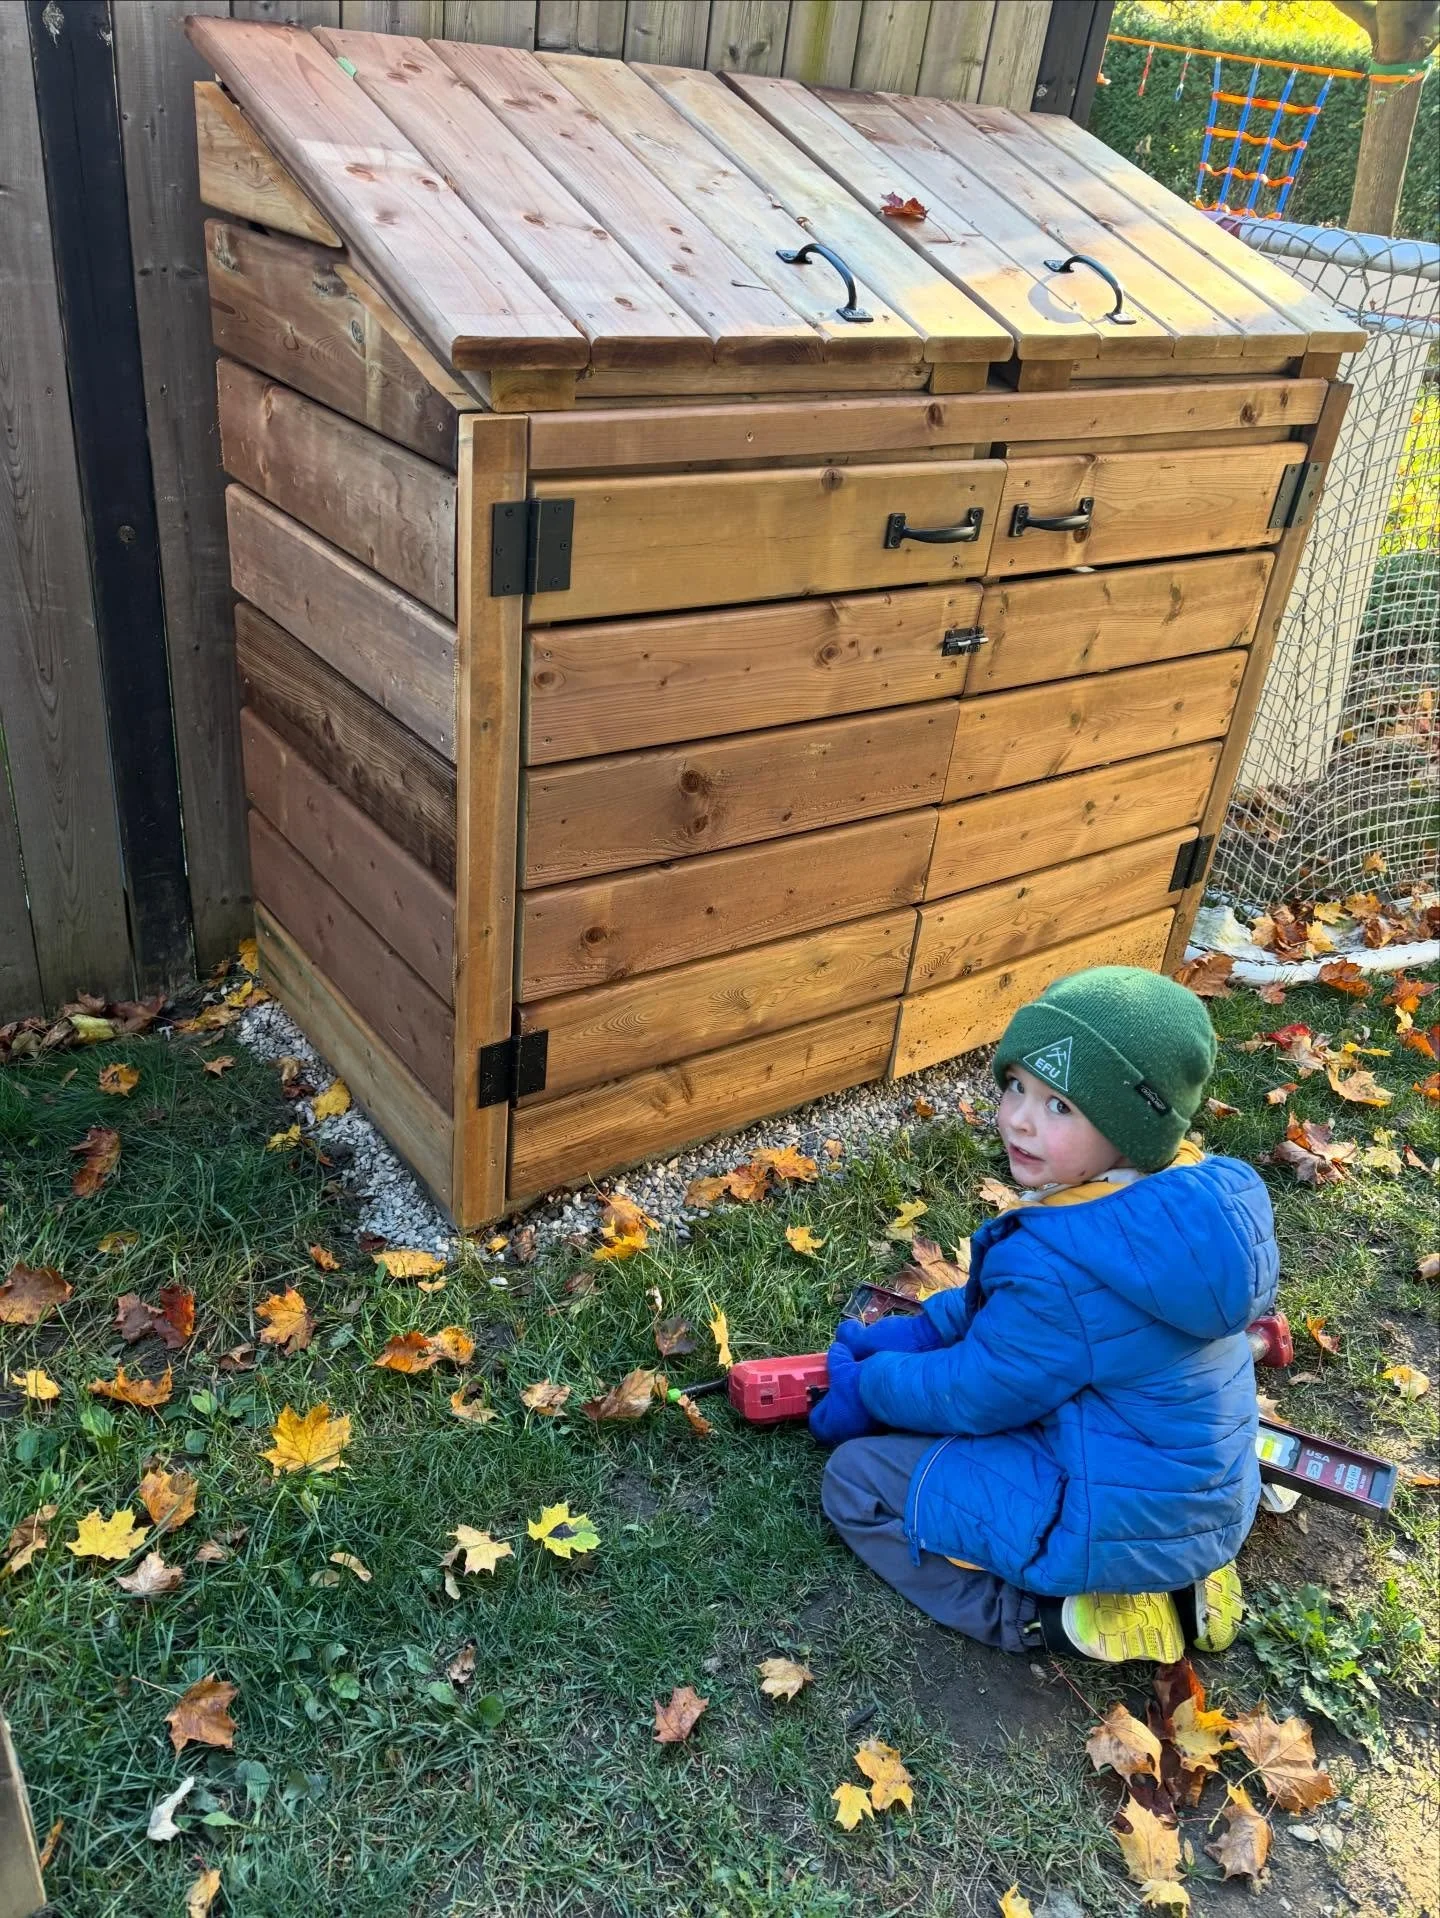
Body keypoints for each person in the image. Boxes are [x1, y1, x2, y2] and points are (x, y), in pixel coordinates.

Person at [811, 965, 1279, 1664]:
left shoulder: (1063, 1265)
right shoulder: (1169, 1205)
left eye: (1061, 1106)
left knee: (855, 1481)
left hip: (1111, 1518)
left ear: (1129, 1128)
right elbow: (1017, 1326)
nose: (1019, 1118)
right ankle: (1187, 1578)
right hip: (1203, 1500)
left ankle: (1041, 1618)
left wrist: (868, 1387)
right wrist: (917, 1331)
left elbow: (975, 1392)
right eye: (1016, 1086)